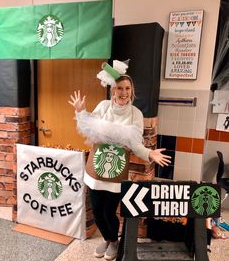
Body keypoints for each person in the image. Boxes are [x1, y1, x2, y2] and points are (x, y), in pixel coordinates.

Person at [68, 62, 171, 260]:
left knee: (109, 211)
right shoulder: (103, 106)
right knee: (97, 210)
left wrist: (150, 154)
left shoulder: (136, 115)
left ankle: (113, 241)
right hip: (96, 167)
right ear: (113, 91)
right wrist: (80, 112)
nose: (123, 92)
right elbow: (88, 128)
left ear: (131, 91)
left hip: (116, 170)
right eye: (119, 88)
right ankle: (107, 238)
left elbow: (135, 145)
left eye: (127, 88)